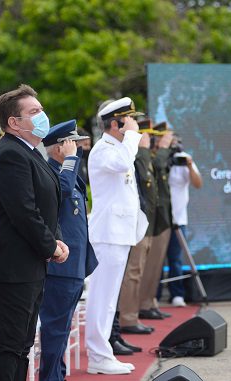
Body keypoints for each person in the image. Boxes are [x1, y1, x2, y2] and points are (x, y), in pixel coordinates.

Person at [0, 84, 69, 381]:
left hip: (28, 266)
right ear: (14, 122)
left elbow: (46, 204)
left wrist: (54, 237)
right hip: (10, 268)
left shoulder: (29, 152)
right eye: (35, 112)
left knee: (22, 346)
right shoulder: (10, 155)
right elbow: (23, 212)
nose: (43, 115)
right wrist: (50, 246)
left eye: (41, 109)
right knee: (8, 347)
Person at [85, 97, 147, 375]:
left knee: (109, 299)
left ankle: (102, 352)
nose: (133, 125)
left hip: (119, 233)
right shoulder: (104, 150)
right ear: (115, 123)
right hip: (108, 234)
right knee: (102, 298)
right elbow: (123, 164)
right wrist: (132, 135)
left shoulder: (118, 148)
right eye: (128, 120)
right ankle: (98, 355)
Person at [39, 119, 99, 381]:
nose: (77, 149)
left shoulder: (68, 174)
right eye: (72, 144)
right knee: (55, 331)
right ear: (59, 148)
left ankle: (57, 376)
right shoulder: (53, 174)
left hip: (73, 266)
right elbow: (61, 193)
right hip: (60, 267)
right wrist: (70, 160)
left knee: (62, 330)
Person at [118, 119, 159, 335]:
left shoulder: (141, 156)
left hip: (143, 223)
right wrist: (142, 150)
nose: (150, 139)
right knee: (132, 272)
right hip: (134, 222)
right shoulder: (134, 156)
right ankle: (127, 318)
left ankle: (131, 316)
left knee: (137, 271)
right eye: (146, 135)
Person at [161, 136, 203, 307]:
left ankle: (177, 294)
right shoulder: (159, 158)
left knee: (175, 258)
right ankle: (154, 295)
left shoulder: (184, 158)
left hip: (179, 218)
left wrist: (190, 165)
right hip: (160, 218)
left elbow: (198, 183)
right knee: (155, 260)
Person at [139, 121, 174, 320]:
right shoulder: (145, 156)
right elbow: (159, 165)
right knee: (143, 269)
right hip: (150, 218)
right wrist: (162, 149)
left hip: (160, 217)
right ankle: (140, 307)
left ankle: (149, 302)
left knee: (155, 267)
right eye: (152, 136)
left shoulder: (151, 155)